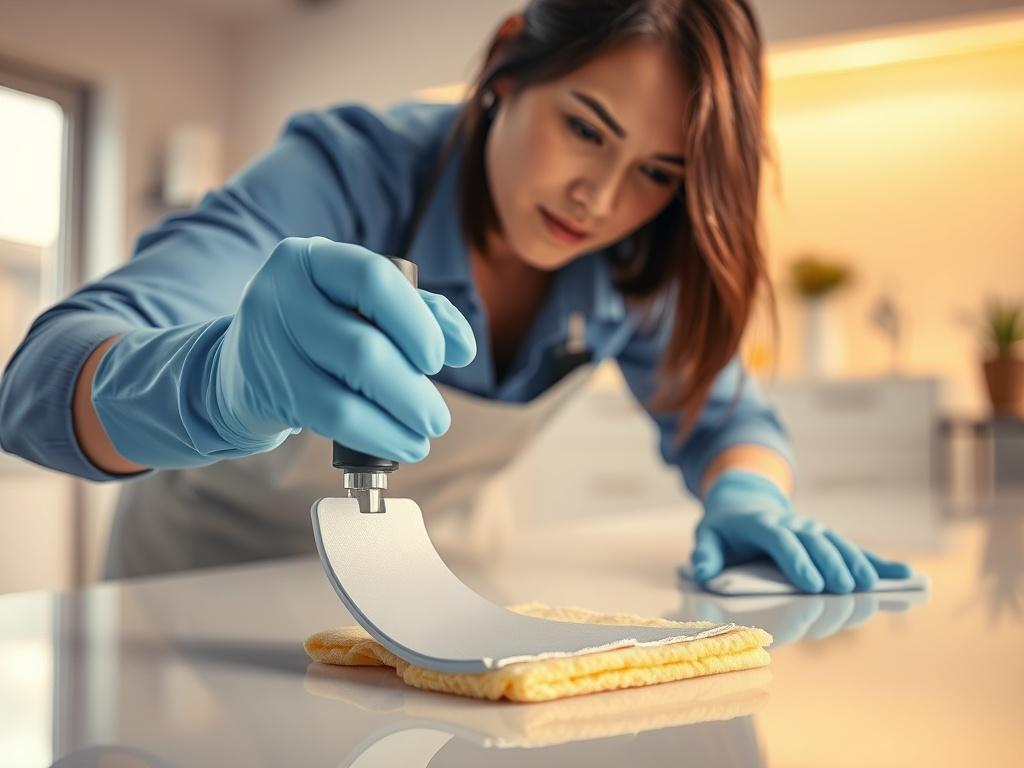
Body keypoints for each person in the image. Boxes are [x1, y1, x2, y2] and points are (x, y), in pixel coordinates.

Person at [0, 0, 910, 591]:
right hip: (194, 602)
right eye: (586, 129)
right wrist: (218, 383)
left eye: (657, 172)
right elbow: (34, 386)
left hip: (432, 597)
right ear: (509, 62)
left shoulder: (633, 255)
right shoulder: (348, 171)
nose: (600, 199)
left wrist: (750, 497)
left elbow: (725, 418)